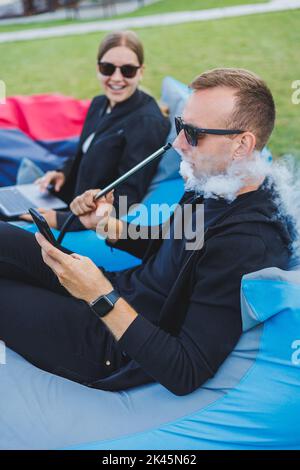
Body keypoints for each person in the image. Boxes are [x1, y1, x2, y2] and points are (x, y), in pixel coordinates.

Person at [0, 68, 294, 396]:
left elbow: (186, 370)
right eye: (180, 126)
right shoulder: (215, 181)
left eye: (194, 133)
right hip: (114, 289)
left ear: (242, 144)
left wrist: (99, 295)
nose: (178, 143)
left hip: (112, 345)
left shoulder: (247, 243)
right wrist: (106, 226)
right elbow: (174, 242)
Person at [21, 30, 170, 230]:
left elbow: (128, 199)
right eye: (107, 68)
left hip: (80, 225)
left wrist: (59, 220)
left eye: (128, 70)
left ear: (141, 71)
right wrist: (62, 173)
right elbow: (84, 154)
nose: (116, 78)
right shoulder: (100, 103)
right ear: (98, 68)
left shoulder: (147, 123)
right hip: (65, 202)